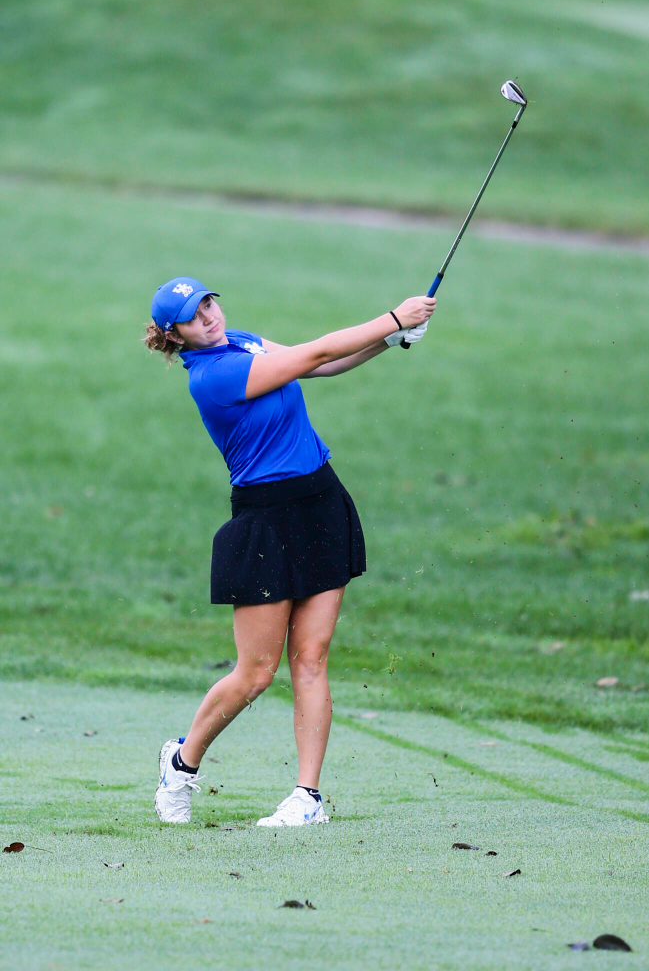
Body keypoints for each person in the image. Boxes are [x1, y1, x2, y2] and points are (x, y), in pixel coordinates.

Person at [144, 276, 436, 827]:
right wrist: (394, 318)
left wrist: (387, 342)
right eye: (192, 314)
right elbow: (318, 350)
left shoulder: (244, 341)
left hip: (320, 501)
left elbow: (322, 366)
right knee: (256, 673)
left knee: (312, 658)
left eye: (209, 302)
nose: (208, 316)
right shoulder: (214, 377)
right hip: (264, 521)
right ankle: (181, 764)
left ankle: (307, 798)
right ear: (173, 334)